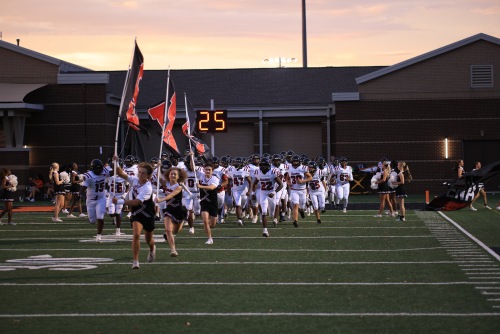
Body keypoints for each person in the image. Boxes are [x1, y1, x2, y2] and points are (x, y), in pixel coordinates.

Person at [112, 158, 156, 269]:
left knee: (148, 239)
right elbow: (121, 173)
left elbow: (137, 202)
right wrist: (116, 162)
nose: (140, 175)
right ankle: (135, 261)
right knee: (136, 234)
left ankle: (152, 249)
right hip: (137, 213)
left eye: (143, 173)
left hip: (148, 213)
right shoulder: (135, 180)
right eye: (139, 172)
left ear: (149, 176)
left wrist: (120, 201)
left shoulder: (147, 188)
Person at [155, 167, 188, 256]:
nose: (172, 175)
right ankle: (173, 250)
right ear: (168, 175)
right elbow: (157, 176)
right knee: (169, 229)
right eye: (171, 174)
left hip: (179, 210)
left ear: (178, 177)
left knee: (176, 231)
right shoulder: (166, 183)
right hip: (169, 209)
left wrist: (161, 199)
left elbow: (171, 195)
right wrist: (159, 165)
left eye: (175, 174)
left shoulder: (178, 187)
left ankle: (169, 234)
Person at [251, 157, 283, 237]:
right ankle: (265, 230)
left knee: (271, 214)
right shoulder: (258, 172)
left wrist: (274, 192)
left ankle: (274, 218)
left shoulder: (273, 172)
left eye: (265, 165)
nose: (263, 167)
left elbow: (281, 185)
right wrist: (253, 192)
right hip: (263, 193)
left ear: (268, 165)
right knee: (264, 212)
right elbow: (255, 183)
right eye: (261, 165)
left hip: (271, 192)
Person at [80, 159, 110, 241]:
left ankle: (99, 235)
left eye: (100, 169)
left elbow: (115, 170)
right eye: (96, 169)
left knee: (100, 217)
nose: (98, 170)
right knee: (92, 221)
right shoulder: (88, 176)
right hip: (90, 201)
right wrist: (79, 195)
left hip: (101, 199)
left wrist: (116, 162)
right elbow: (83, 187)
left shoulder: (105, 171)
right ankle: (93, 221)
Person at [287, 155, 313, 227]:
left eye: (296, 162)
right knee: (295, 205)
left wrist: (303, 181)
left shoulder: (303, 168)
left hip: (302, 190)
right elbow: (287, 178)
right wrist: (288, 183)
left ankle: (301, 210)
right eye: (294, 161)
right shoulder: (289, 168)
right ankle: (295, 221)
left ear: (299, 162)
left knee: (302, 206)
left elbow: (310, 177)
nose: (295, 163)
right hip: (294, 190)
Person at [197, 162, 219, 244]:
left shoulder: (215, 179)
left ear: (212, 171)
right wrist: (191, 155)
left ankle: (207, 228)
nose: (207, 171)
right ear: (204, 170)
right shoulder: (201, 176)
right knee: (205, 220)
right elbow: (192, 167)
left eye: (209, 170)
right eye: (206, 169)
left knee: (212, 224)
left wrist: (200, 186)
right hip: (204, 201)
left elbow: (211, 187)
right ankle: (209, 238)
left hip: (213, 202)